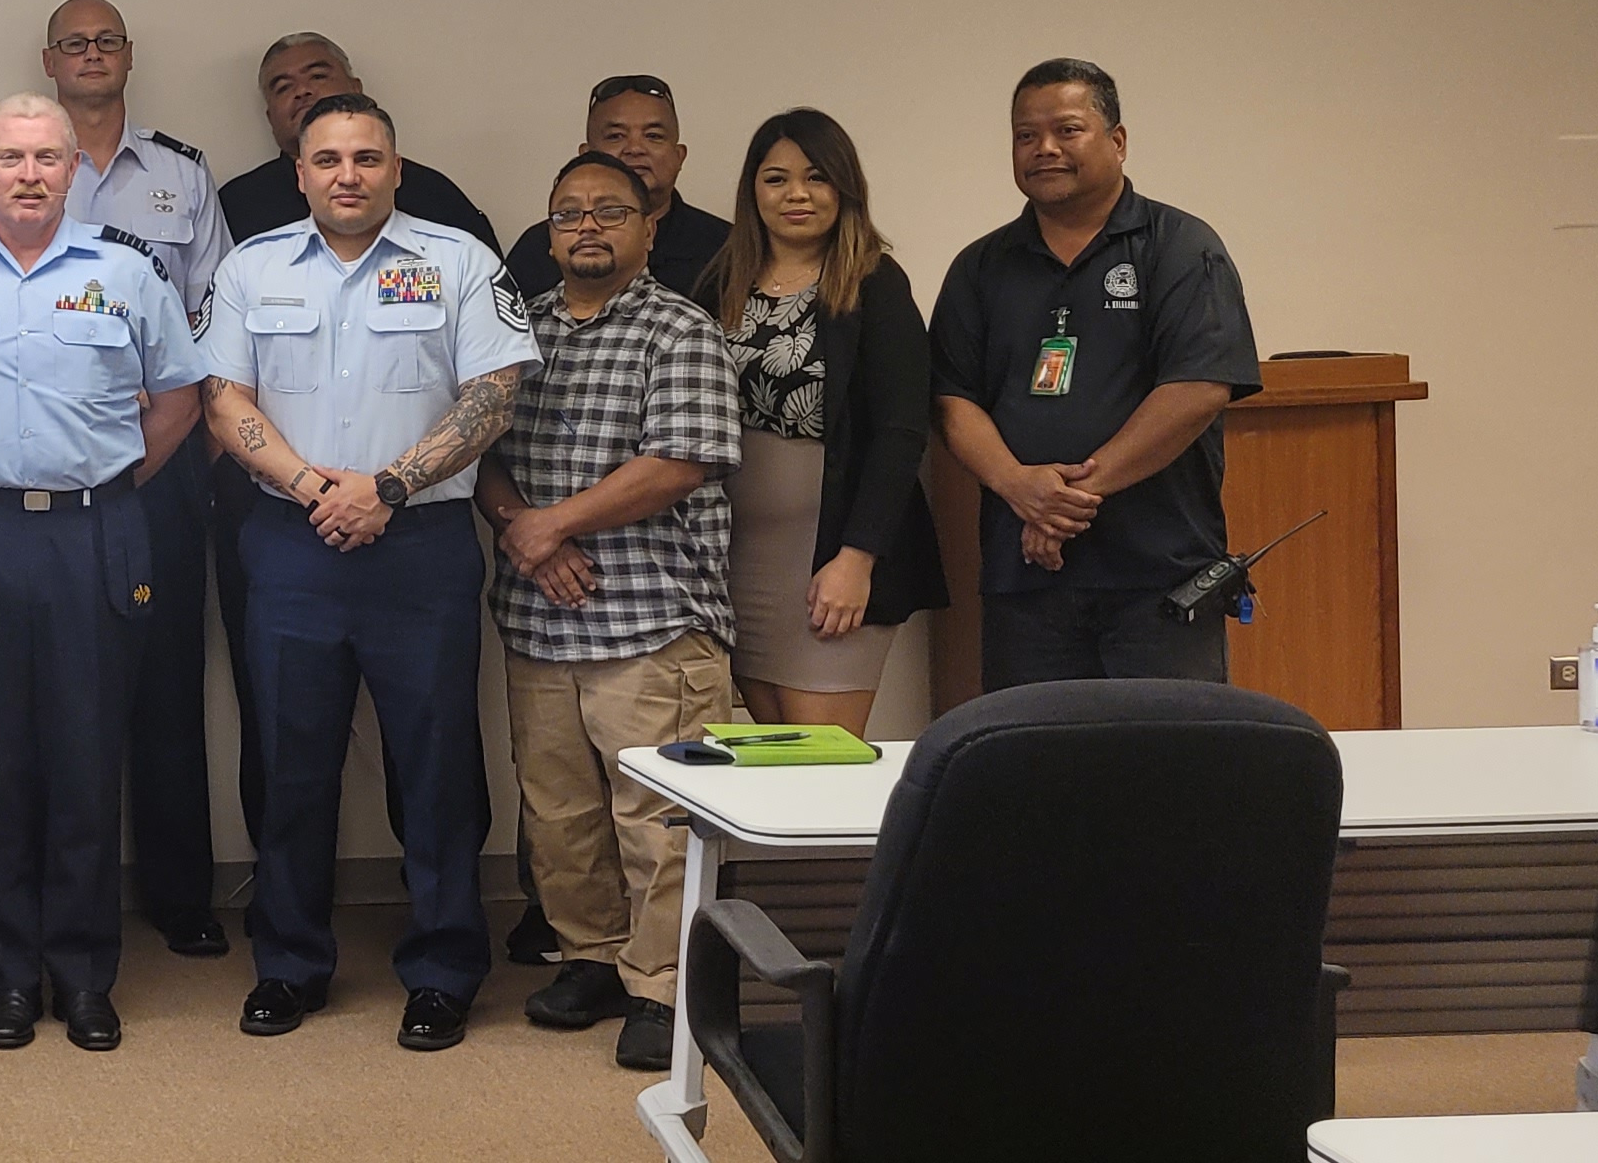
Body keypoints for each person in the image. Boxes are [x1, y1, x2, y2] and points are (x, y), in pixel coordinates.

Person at [200, 93, 535, 1054]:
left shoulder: (460, 262)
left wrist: (387, 486)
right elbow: (223, 398)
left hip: (419, 546)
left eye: (367, 158)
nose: (347, 175)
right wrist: (318, 489)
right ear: (300, 173)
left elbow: (495, 395)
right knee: (289, 760)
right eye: (328, 159)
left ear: (396, 167)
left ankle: (443, 969)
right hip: (291, 541)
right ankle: (288, 963)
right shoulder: (251, 266)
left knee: (436, 764)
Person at [0, 96, 204, 1052]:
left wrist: (106, 482)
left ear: (72, 171)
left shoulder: (128, 272)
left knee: (85, 754)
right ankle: (9, 974)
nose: (29, 175)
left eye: (46, 159)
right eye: (11, 158)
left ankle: (83, 972)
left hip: (92, 534)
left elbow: (180, 398)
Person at [474, 154, 742, 1073]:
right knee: (560, 814)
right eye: (568, 214)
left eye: (608, 212)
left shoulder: (681, 328)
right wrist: (525, 530)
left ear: (649, 226)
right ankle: (590, 959)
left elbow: (680, 462)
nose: (586, 227)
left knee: (660, 821)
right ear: (549, 232)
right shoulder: (519, 329)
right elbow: (480, 449)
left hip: (652, 617)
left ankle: (664, 987)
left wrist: (552, 526)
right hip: (540, 616)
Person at [12, 0, 234, 959]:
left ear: (129, 56)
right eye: (75, 43)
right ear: (49, 60)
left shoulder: (182, 172)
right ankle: (50, 897)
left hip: (164, 457)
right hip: (57, 463)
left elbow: (215, 316)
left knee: (165, 679)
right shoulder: (16, 162)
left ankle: (181, 894)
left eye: (106, 42)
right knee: (47, 687)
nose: (91, 55)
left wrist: (171, 432)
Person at [932, 59, 1261, 689]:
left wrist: (1065, 502)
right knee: (1032, 748)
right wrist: (1019, 487)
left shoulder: (1180, 246)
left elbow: (1197, 389)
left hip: (1159, 575)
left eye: (1067, 130)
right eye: (1025, 135)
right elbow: (953, 399)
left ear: (1118, 140)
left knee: (1167, 747)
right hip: (1025, 578)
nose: (1044, 149)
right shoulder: (980, 266)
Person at [692, 108, 946, 735]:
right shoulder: (719, 282)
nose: (796, 194)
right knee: (773, 751)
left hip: (831, 555)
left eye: (816, 177)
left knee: (822, 756)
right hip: (734, 561)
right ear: (753, 190)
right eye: (776, 179)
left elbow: (901, 431)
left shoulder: (874, 283)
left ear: (845, 188)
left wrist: (857, 559)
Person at [217, 32, 497, 246]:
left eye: (318, 76)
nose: (302, 91)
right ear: (270, 116)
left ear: (356, 89)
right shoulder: (237, 205)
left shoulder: (430, 193)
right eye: (283, 87)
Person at [504, 75, 728, 298]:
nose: (635, 149)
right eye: (615, 136)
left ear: (679, 156)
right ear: (586, 156)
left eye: (653, 136)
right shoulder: (539, 246)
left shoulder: (726, 247)